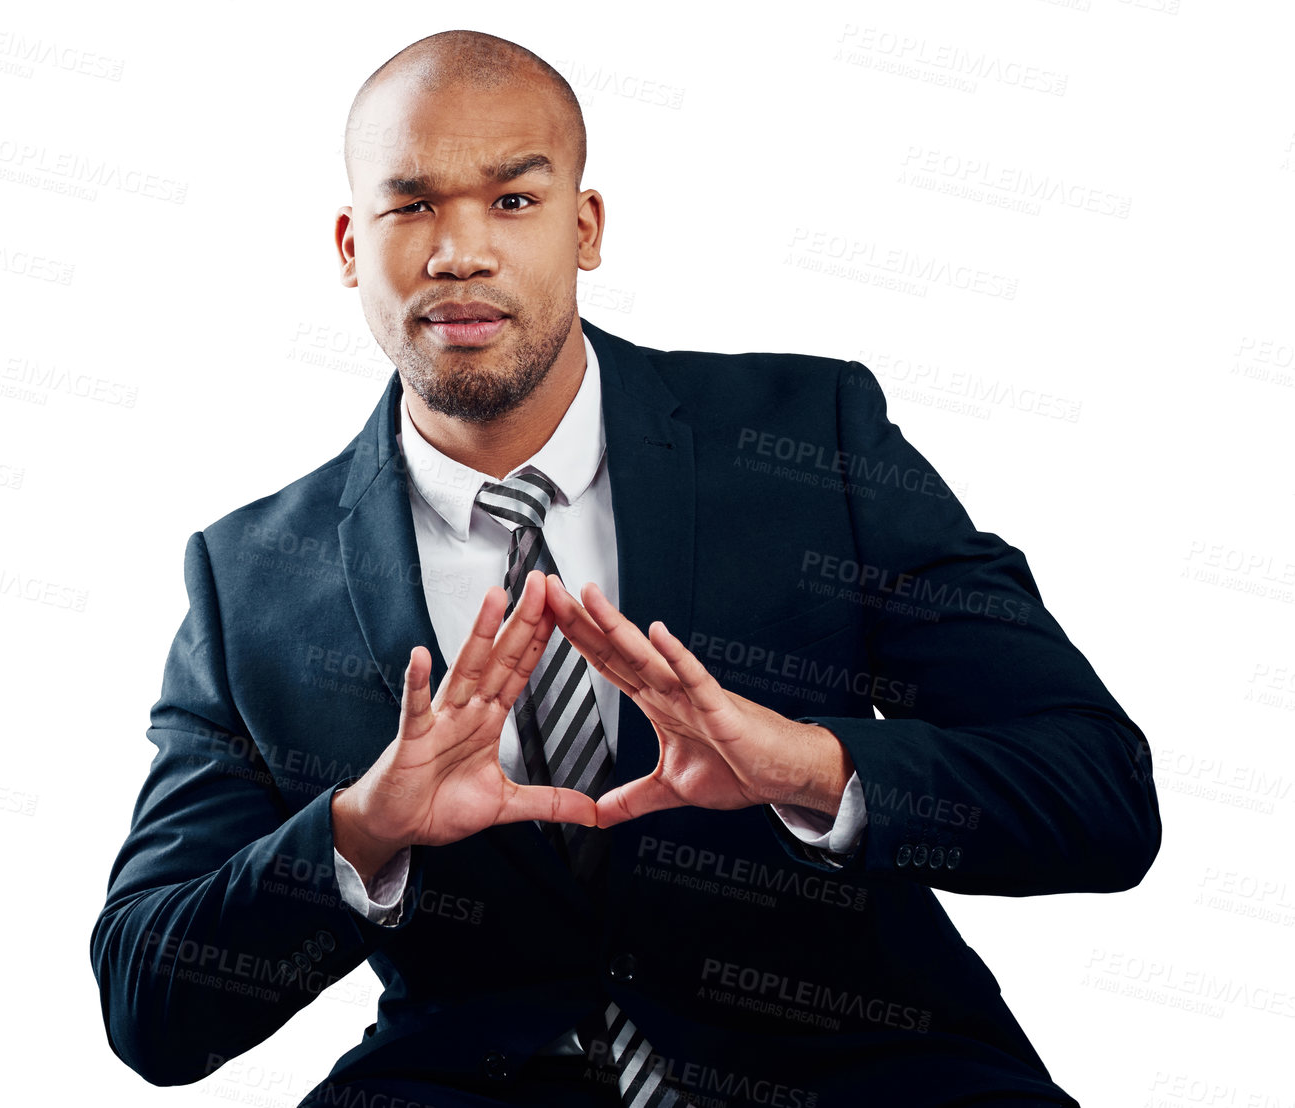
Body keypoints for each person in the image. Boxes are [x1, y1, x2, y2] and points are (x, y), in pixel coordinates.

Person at [92, 29, 1160, 1108]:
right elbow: (147, 1003)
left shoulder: (812, 446)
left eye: (512, 201)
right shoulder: (253, 579)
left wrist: (807, 768)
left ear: (586, 227)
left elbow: (1101, 792)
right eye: (410, 205)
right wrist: (361, 830)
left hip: (861, 1075)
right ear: (347, 245)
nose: (458, 250)